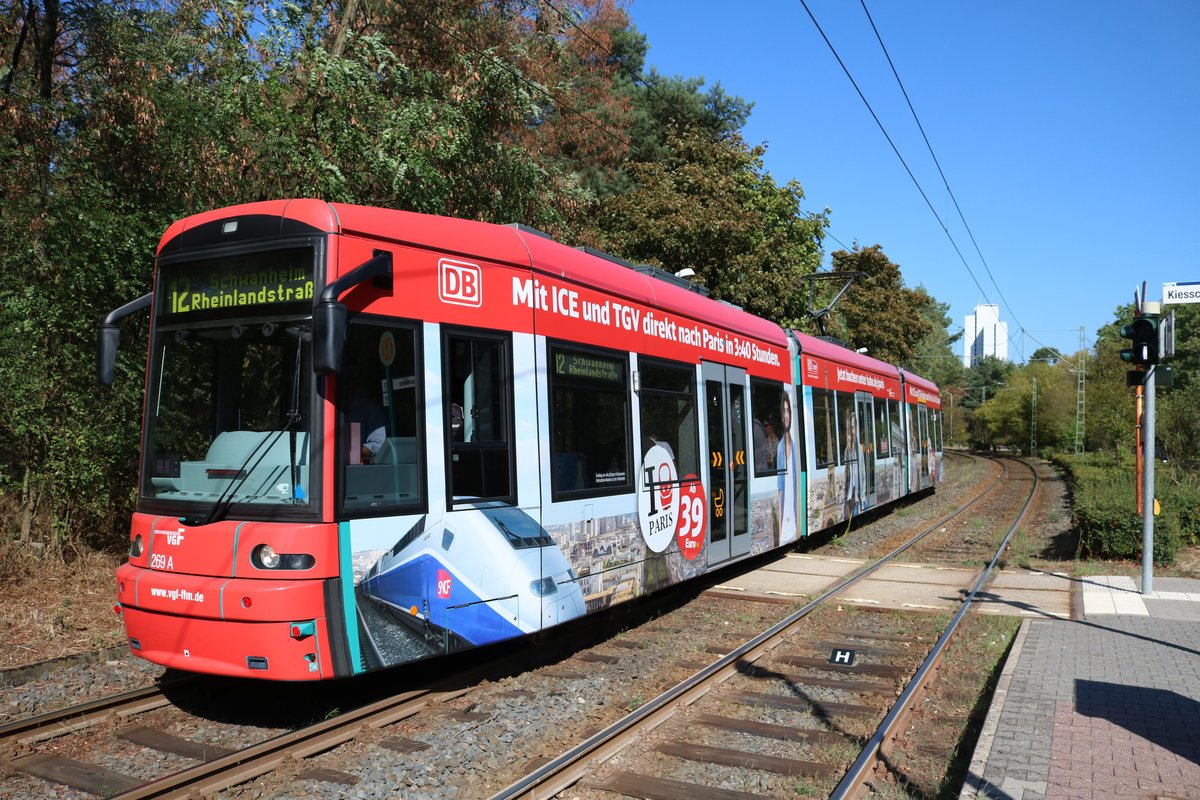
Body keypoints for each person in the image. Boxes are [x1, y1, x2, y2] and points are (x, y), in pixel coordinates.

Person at [776, 394, 797, 543]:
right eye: (784, 411)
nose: (787, 415)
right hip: (786, 522)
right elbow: (779, 491)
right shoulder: (779, 448)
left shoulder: (796, 447)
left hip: (796, 519)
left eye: (788, 410)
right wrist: (780, 530)